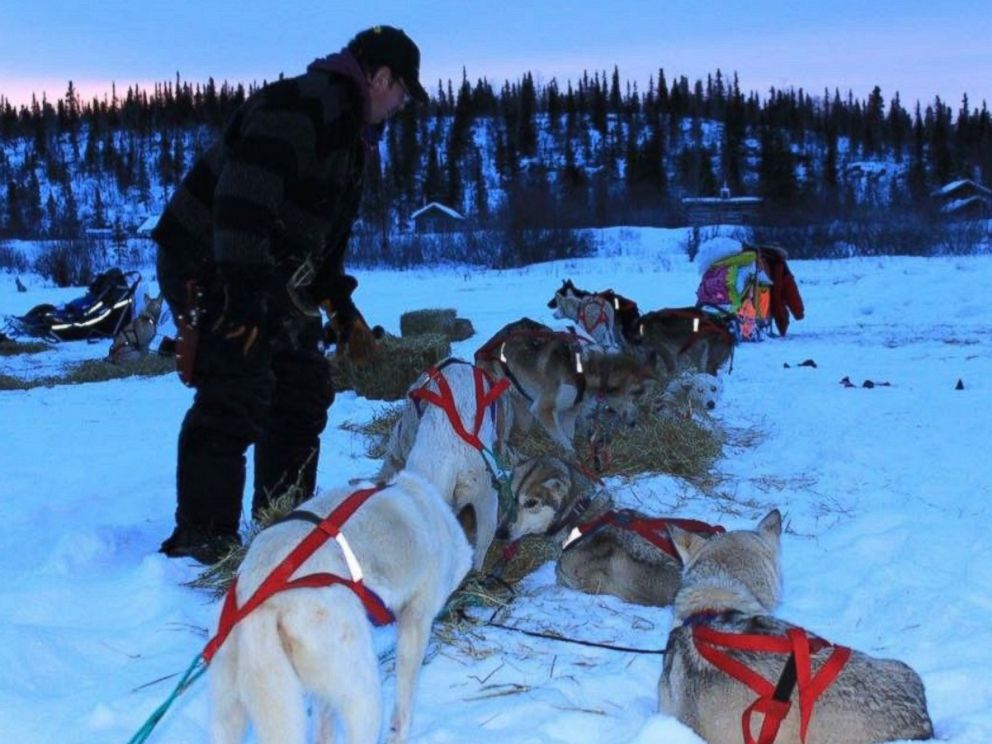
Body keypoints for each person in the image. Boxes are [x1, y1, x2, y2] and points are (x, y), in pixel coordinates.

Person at [153, 25, 428, 564]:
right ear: (380, 77)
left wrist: (341, 308)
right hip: (209, 259)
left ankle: (284, 525)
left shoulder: (350, 138)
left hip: (264, 268)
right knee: (239, 380)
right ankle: (203, 540)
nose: (401, 106)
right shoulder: (302, 108)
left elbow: (320, 245)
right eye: (402, 93)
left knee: (303, 386)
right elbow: (239, 205)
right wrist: (243, 302)